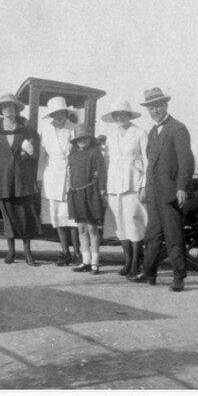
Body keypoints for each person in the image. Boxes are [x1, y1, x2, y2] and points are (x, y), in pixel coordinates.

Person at [137, 87, 195, 292]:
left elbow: (186, 162)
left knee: (173, 235)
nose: (155, 110)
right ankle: (149, 273)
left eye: (158, 106)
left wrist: (181, 188)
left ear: (166, 105)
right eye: (151, 107)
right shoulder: (152, 132)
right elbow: (150, 164)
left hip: (170, 193)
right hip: (153, 193)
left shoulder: (178, 129)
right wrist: (145, 187)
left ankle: (179, 277)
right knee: (152, 234)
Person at [0, 92, 43, 265]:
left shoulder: (26, 130)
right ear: (1, 110)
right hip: (2, 179)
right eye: (5, 106)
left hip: (23, 180)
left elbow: (34, 156)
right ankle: (11, 252)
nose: (9, 109)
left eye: (12, 106)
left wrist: (30, 151)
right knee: (9, 218)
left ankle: (28, 253)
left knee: (25, 217)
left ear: (16, 109)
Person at [101, 99, 148, 279]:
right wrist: (105, 187)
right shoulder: (112, 136)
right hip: (114, 185)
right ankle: (128, 260)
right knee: (120, 225)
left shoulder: (140, 133)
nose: (119, 117)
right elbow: (107, 162)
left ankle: (137, 261)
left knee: (134, 223)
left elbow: (147, 161)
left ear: (129, 115)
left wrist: (144, 185)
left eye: (122, 114)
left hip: (133, 184)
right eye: (116, 114)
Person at [38, 96, 82, 266]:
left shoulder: (74, 128)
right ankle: (65, 252)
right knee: (57, 217)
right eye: (55, 113)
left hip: (71, 174)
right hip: (52, 175)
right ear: (51, 115)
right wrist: (39, 178)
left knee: (72, 218)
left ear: (66, 112)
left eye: (61, 112)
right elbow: (42, 156)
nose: (59, 115)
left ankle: (78, 252)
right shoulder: (46, 130)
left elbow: (79, 153)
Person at [67, 126, 108, 275]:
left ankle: (95, 262)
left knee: (92, 228)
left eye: (84, 138)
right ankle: (86, 261)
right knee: (81, 228)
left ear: (89, 139)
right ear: (76, 141)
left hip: (91, 193)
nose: (82, 141)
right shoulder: (73, 154)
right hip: (76, 193)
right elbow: (70, 174)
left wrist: (102, 189)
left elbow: (102, 172)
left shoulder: (95, 153)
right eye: (79, 139)